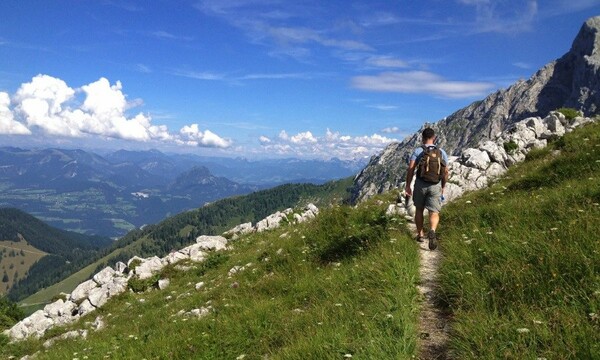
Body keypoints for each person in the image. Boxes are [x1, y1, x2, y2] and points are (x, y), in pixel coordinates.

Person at [404, 128, 449, 250]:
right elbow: (445, 172)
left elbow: (411, 168)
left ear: (422, 138)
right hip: (435, 185)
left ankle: (420, 234)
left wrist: (408, 185)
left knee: (419, 209)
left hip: (420, 185)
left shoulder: (418, 151)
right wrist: (443, 186)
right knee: (434, 212)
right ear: (434, 138)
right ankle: (432, 230)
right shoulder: (441, 152)